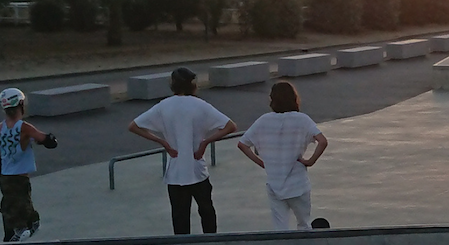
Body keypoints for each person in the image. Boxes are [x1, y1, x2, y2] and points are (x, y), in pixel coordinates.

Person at [128, 67, 237, 235]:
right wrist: (205, 142)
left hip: (175, 172)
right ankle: (211, 243)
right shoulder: (201, 105)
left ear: (172, 84)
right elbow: (230, 126)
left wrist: (163, 142)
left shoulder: (163, 106)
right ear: (192, 84)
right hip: (197, 169)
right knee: (207, 211)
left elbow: (134, 126)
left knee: (179, 216)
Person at [238, 82, 329, 231]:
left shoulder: (263, 120)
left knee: (280, 227)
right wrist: (310, 161)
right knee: (304, 224)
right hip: (298, 183)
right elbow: (322, 141)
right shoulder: (302, 119)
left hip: (275, 184)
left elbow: (242, 144)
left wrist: (262, 163)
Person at [0, 88, 58, 242]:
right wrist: (49, 140)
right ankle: (28, 225)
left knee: (10, 204)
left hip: (5, 177)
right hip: (20, 176)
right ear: (21, 104)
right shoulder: (24, 127)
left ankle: (13, 232)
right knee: (21, 202)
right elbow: (44, 138)